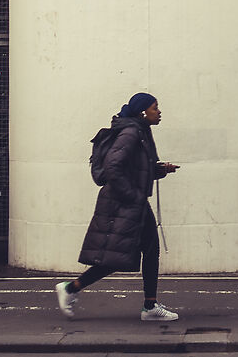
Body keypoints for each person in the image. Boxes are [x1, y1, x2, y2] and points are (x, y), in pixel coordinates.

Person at [55, 92, 179, 323]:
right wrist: (132, 196)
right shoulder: (131, 133)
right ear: (143, 111)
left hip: (133, 203)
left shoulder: (140, 131)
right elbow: (113, 166)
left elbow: (136, 168)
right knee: (127, 254)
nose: (159, 111)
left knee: (137, 252)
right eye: (155, 107)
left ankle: (148, 305)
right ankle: (72, 289)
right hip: (126, 203)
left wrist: (160, 170)